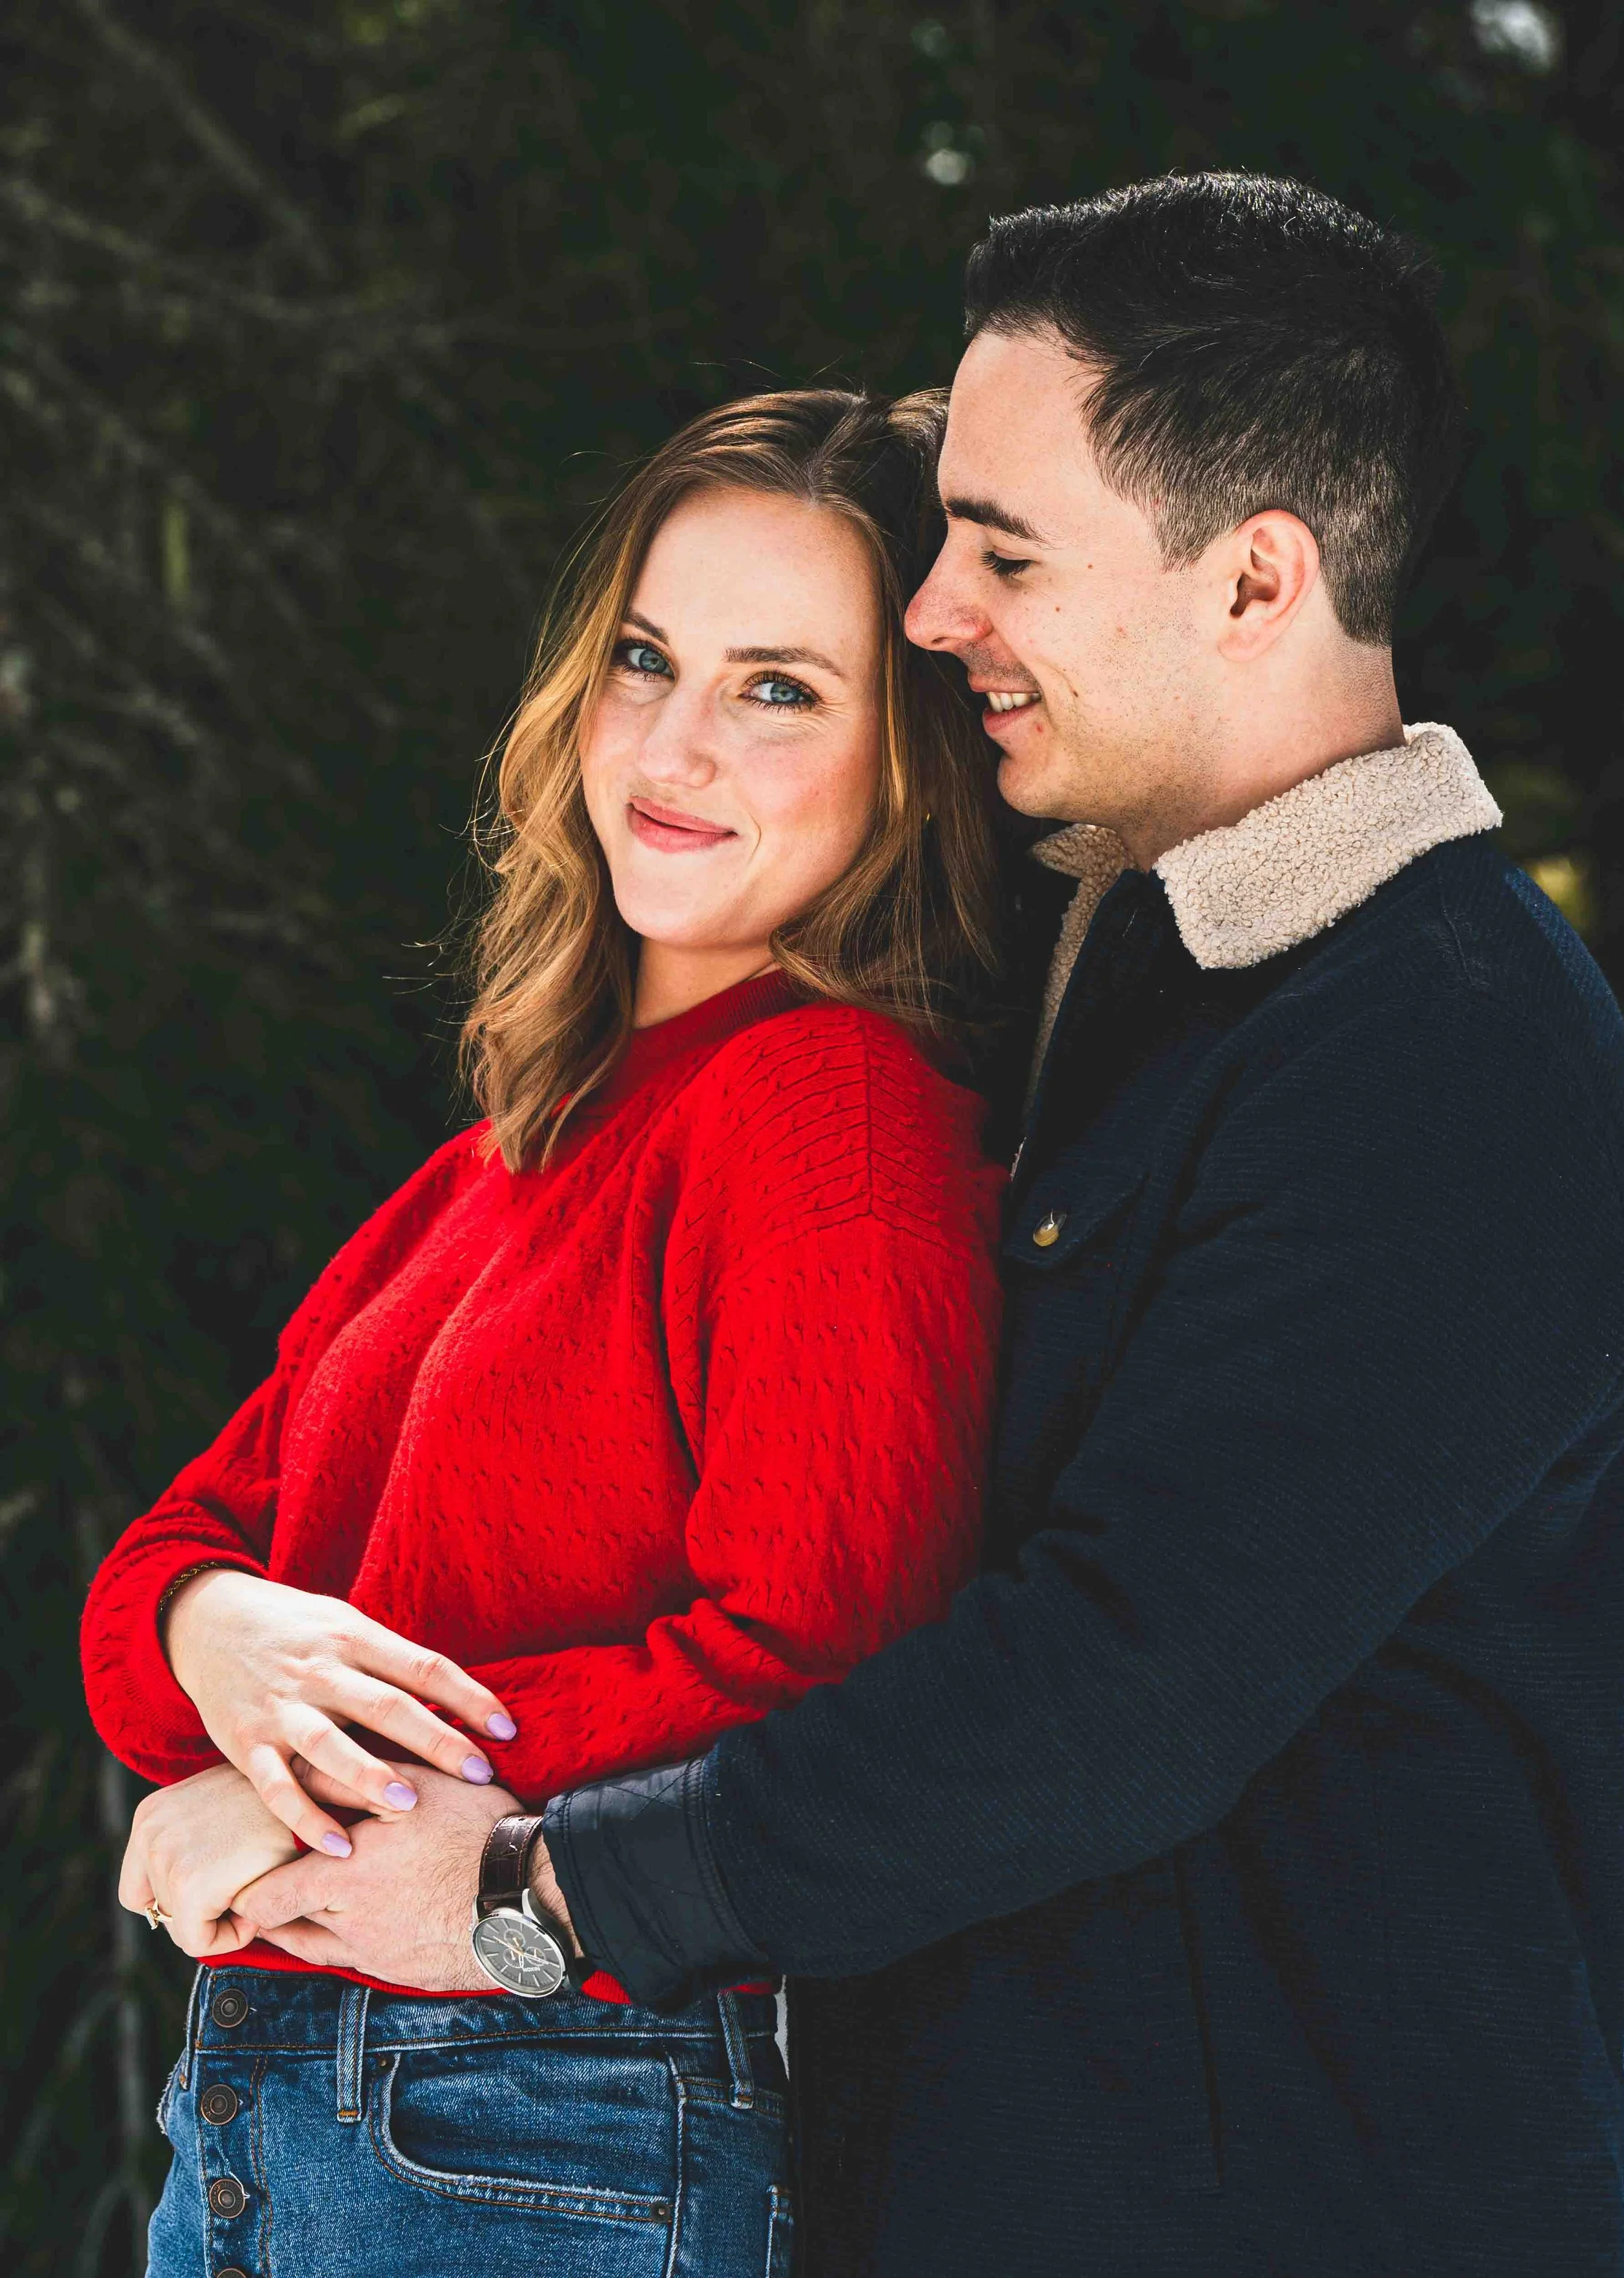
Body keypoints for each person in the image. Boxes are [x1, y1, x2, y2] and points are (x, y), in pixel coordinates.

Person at [211, 174, 1624, 2278]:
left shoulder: (1442, 1047)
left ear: (1255, 579)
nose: (929, 613)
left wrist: (538, 1888)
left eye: (1004, 551)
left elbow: (1119, 1684)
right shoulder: (1111, 972)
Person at [79, 388, 1008, 2278]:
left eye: (777, 689)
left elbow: (827, 1670)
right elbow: (159, 1574)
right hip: (278, 2110)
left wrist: (316, 1802)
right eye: (645, 659)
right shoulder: (504, 1159)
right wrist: (215, 1631)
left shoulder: (828, 1113)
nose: (673, 744)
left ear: (909, 760)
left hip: (547, 2111)